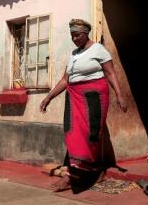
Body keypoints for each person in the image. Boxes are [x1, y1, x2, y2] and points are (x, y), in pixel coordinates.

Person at [40, 18, 128, 192]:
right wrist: (48, 97)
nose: (74, 38)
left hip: (94, 96)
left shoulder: (98, 49)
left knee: (91, 134)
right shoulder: (74, 54)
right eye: (72, 35)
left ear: (86, 33)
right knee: (72, 132)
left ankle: (86, 174)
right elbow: (65, 79)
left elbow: (110, 73)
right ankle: (76, 174)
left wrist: (120, 95)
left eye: (77, 35)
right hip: (74, 97)